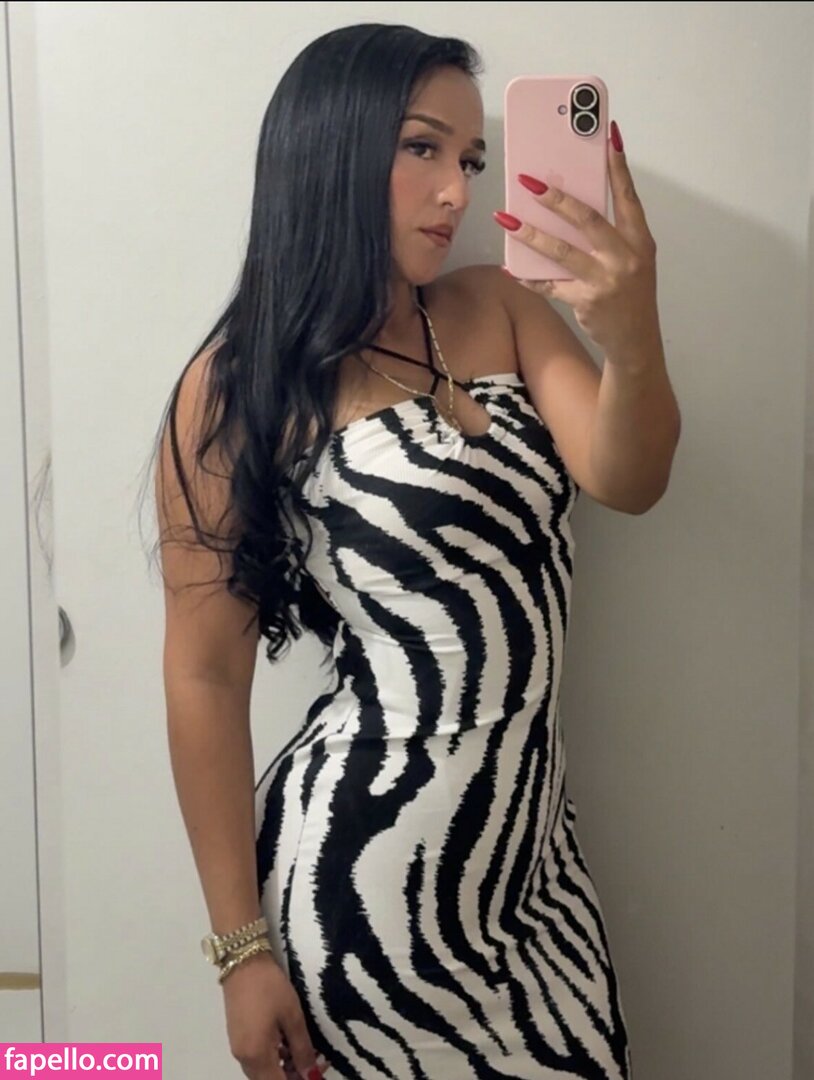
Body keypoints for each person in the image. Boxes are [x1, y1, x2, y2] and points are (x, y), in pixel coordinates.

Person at [152, 20, 680, 1080]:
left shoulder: (497, 304)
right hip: (370, 890)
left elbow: (630, 479)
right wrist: (241, 955)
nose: (455, 192)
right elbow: (204, 675)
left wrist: (631, 330)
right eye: (421, 147)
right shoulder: (239, 382)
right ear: (330, 149)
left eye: (471, 160)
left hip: (532, 866)